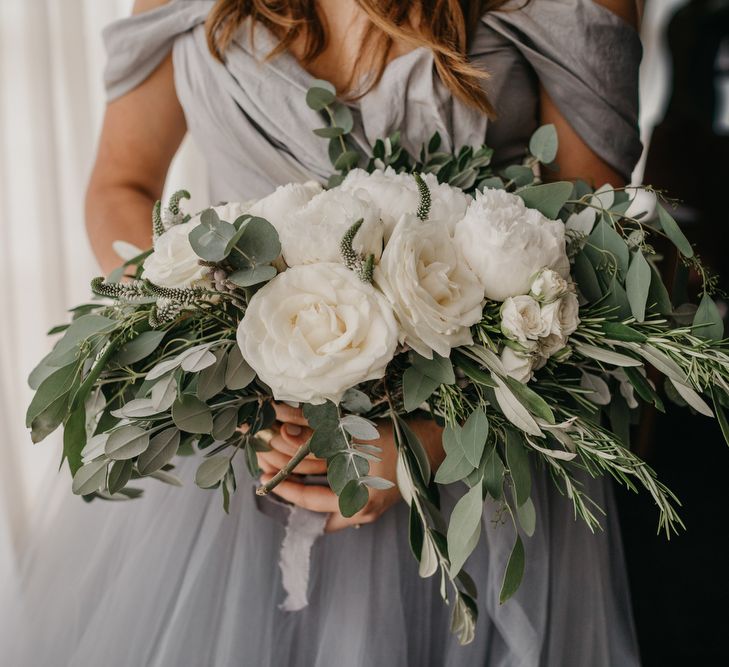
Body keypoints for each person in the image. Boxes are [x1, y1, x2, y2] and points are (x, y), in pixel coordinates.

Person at [2, 1, 643, 664]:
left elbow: (595, 258)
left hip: (466, 462)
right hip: (236, 445)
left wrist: (430, 449)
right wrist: (207, 352)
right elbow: (121, 185)